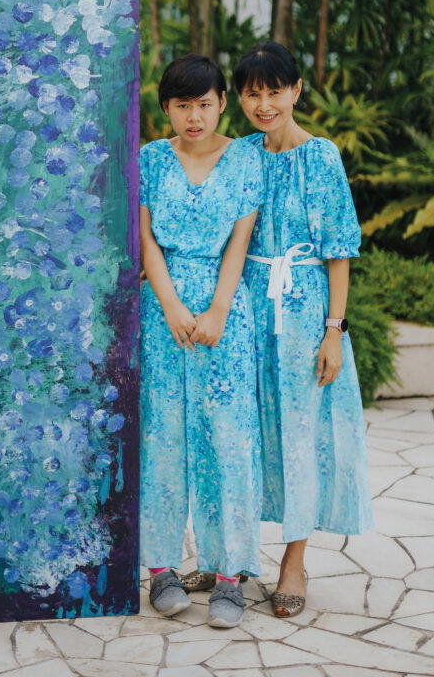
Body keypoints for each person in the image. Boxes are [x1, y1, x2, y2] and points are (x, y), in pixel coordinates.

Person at [235, 40, 373, 618]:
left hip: (303, 311)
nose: (264, 104)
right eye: (252, 93)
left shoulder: (321, 156)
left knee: (300, 435)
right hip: (244, 305)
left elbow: (338, 248)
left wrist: (334, 330)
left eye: (274, 91)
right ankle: (232, 557)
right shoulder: (239, 152)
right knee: (241, 432)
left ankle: (293, 562)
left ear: (295, 91)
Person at [139, 53, 264, 628]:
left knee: (226, 440)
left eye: (205, 104)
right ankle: (162, 568)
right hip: (161, 313)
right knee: (162, 436)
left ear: (221, 104)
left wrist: (217, 308)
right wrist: (169, 304)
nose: (195, 116)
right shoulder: (148, 160)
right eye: (183, 105)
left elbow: (239, 242)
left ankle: (230, 574)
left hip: (223, 316)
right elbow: (145, 241)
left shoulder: (244, 160)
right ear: (166, 107)